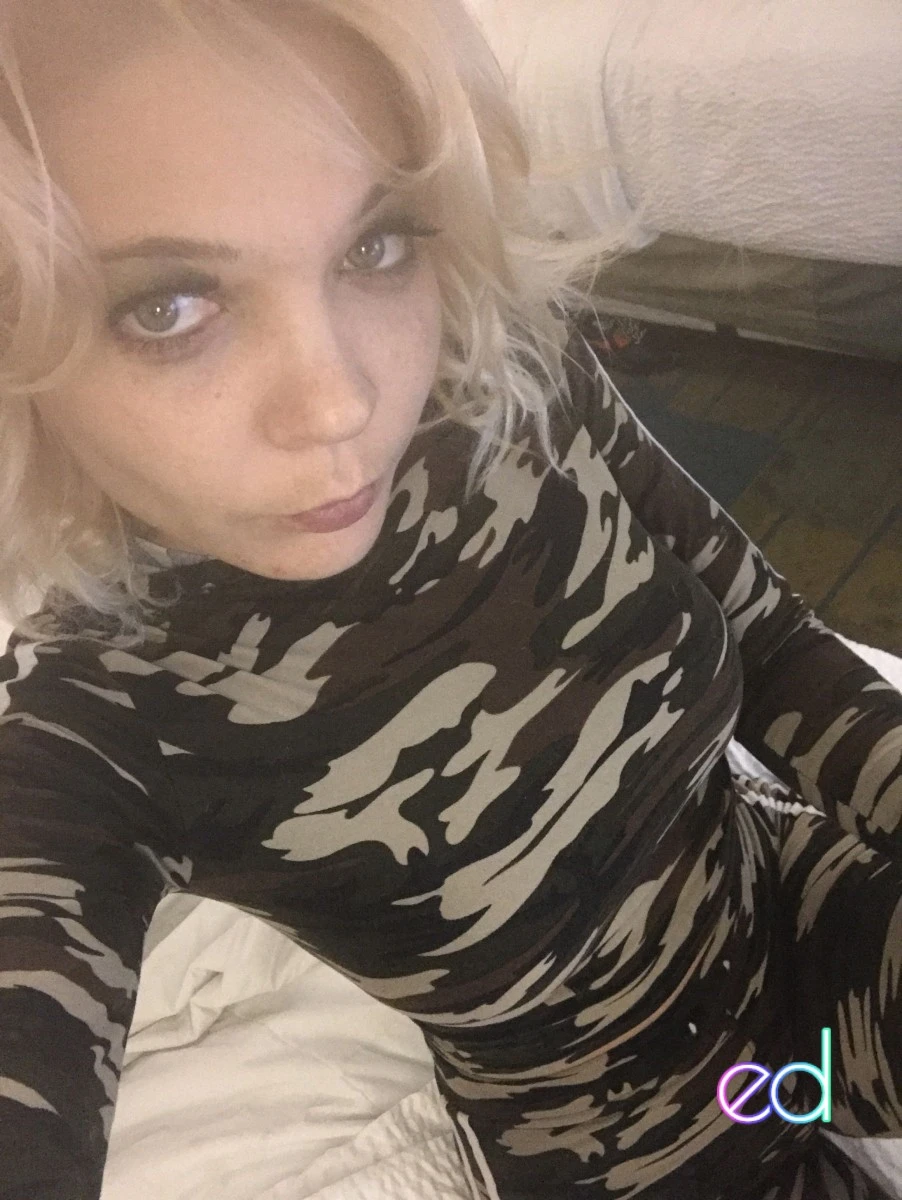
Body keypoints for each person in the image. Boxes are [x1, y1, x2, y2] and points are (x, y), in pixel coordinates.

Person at [0, 3, 899, 1198]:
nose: (338, 402)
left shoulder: (511, 384)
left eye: (374, 247)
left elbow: (772, 644)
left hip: (799, 948)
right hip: (639, 1143)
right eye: (166, 307)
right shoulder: (90, 731)